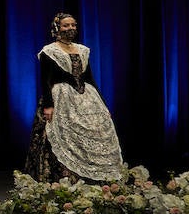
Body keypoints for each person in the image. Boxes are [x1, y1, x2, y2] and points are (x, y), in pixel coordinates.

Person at [22, 12, 123, 184]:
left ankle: (95, 181)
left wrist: (103, 105)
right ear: (57, 28)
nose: (70, 28)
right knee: (61, 137)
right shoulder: (49, 51)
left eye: (73, 25)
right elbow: (46, 81)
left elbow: (89, 78)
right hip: (61, 98)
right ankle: (63, 180)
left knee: (93, 135)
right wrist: (48, 105)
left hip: (86, 98)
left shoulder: (82, 50)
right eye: (66, 25)